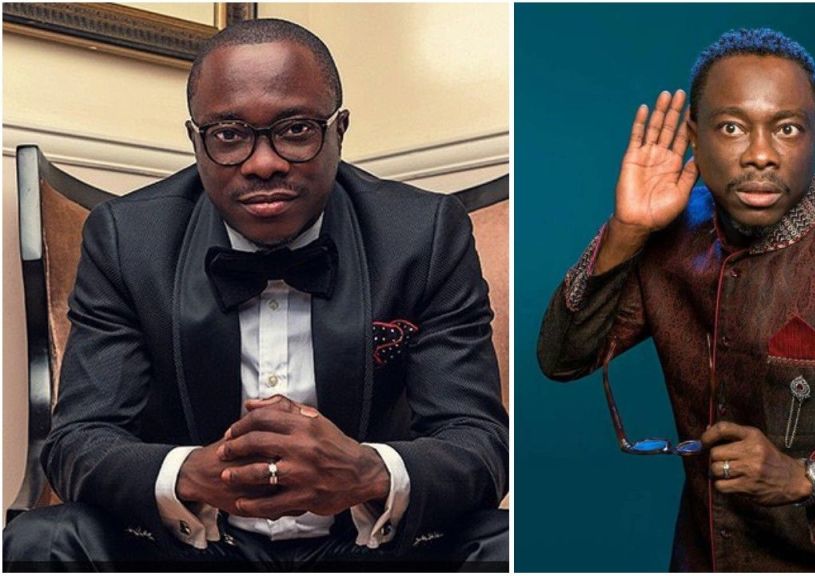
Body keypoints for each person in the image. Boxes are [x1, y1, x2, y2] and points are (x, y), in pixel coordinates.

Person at [3, 18, 508, 570]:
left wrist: (369, 471)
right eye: (228, 135)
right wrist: (190, 473)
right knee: (42, 540)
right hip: (191, 545)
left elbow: (476, 440)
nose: (263, 163)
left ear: (339, 130)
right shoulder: (126, 240)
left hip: (371, 545)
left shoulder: (425, 234)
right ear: (196, 140)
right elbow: (81, 440)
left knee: (511, 544)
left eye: (295, 130)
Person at [537, 28, 815, 571]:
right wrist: (627, 230)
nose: (761, 155)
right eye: (733, 127)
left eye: (787, 129)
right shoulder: (668, 235)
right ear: (695, 135)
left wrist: (805, 478)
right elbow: (561, 358)